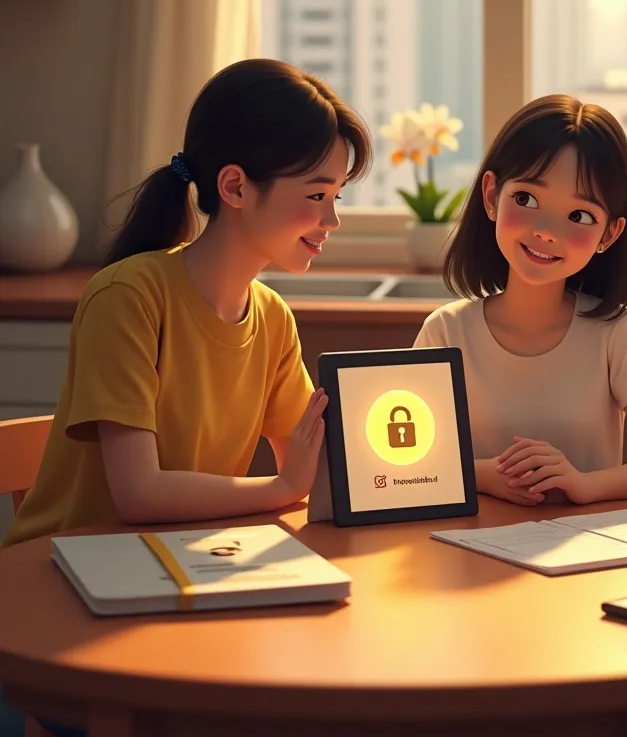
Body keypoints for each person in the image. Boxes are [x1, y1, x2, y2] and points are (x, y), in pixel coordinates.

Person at [3, 59, 373, 550]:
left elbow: (325, 467)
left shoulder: (271, 318)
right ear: (235, 187)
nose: (332, 220)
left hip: (181, 560)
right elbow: (140, 495)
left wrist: (471, 474)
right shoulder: (128, 298)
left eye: (337, 197)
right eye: (317, 193)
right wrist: (282, 489)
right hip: (62, 576)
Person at [414, 94, 627, 505]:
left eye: (579, 216)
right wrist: (485, 475)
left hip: (589, 554)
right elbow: (405, 468)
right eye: (526, 199)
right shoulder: (445, 331)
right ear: (491, 196)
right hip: (465, 553)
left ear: (609, 234)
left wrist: (584, 484)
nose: (545, 231)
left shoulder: (618, 332)